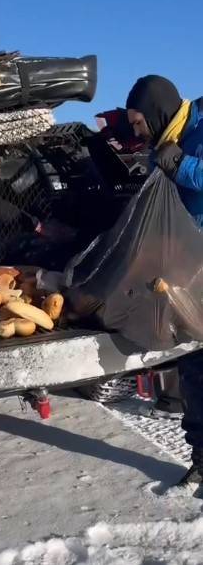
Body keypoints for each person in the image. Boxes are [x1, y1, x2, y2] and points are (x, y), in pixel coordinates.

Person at [125, 74, 203, 491]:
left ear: (157, 111)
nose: (137, 130)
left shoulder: (200, 128)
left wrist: (180, 163)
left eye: (139, 122)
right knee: (192, 361)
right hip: (188, 267)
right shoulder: (161, 145)